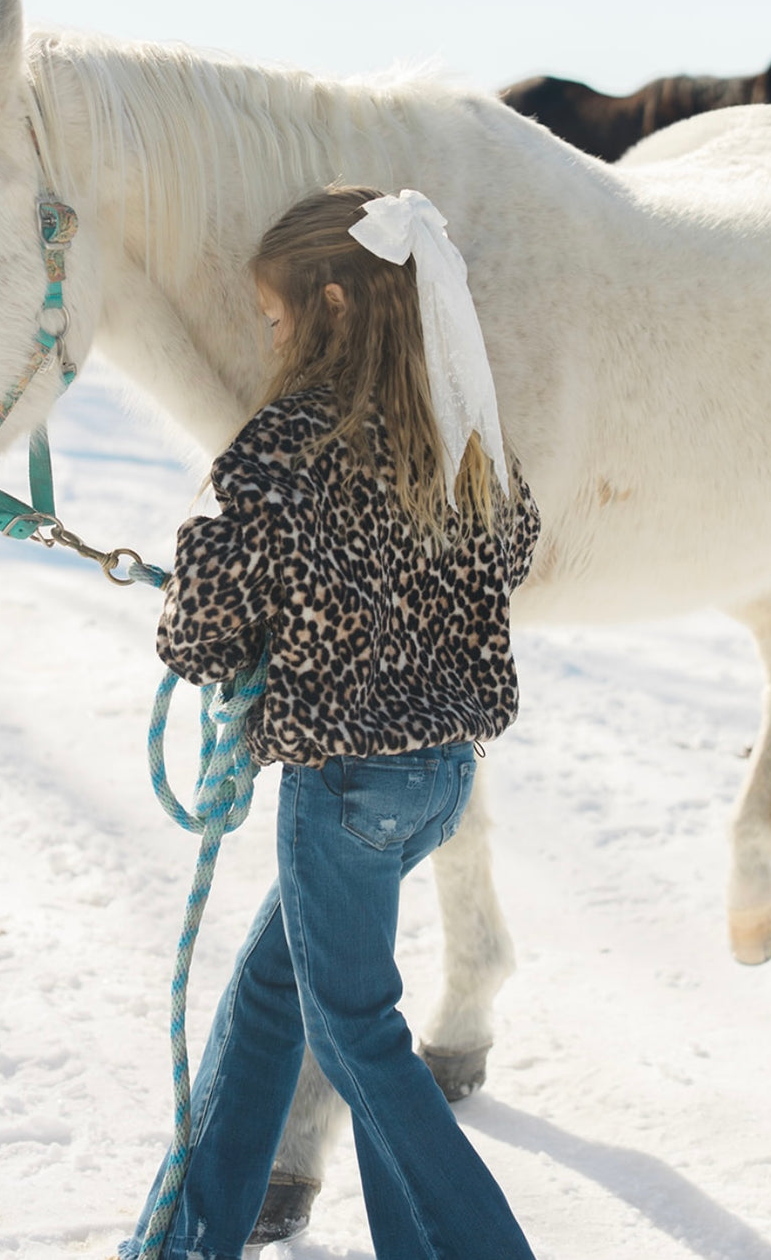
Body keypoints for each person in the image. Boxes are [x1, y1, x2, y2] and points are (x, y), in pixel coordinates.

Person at [119, 185, 540, 1260]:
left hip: (345, 787)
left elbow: (203, 626)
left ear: (336, 305)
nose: (268, 339)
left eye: (274, 318)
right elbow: (515, 553)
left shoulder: (283, 445)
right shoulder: (458, 431)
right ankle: (179, 1241)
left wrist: (225, 597)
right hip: (439, 779)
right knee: (275, 994)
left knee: (357, 1034)